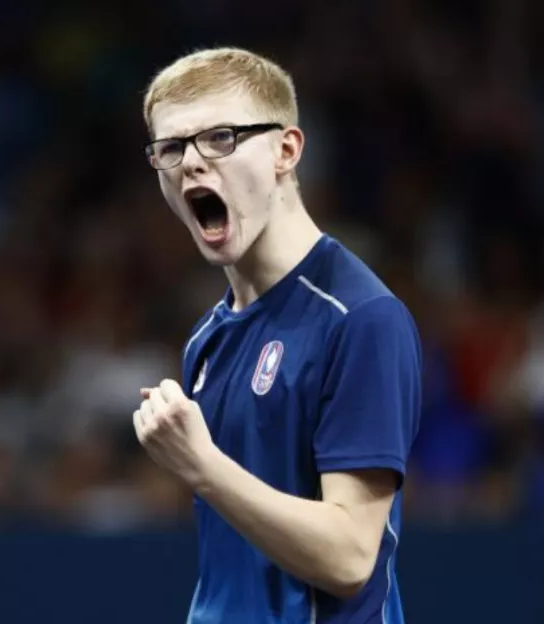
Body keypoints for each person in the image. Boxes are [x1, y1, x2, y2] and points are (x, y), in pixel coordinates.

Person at [132, 47, 423, 623]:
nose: (191, 163)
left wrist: (201, 466)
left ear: (286, 150)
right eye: (170, 148)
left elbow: (349, 557)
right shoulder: (206, 341)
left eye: (219, 138)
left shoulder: (360, 318)